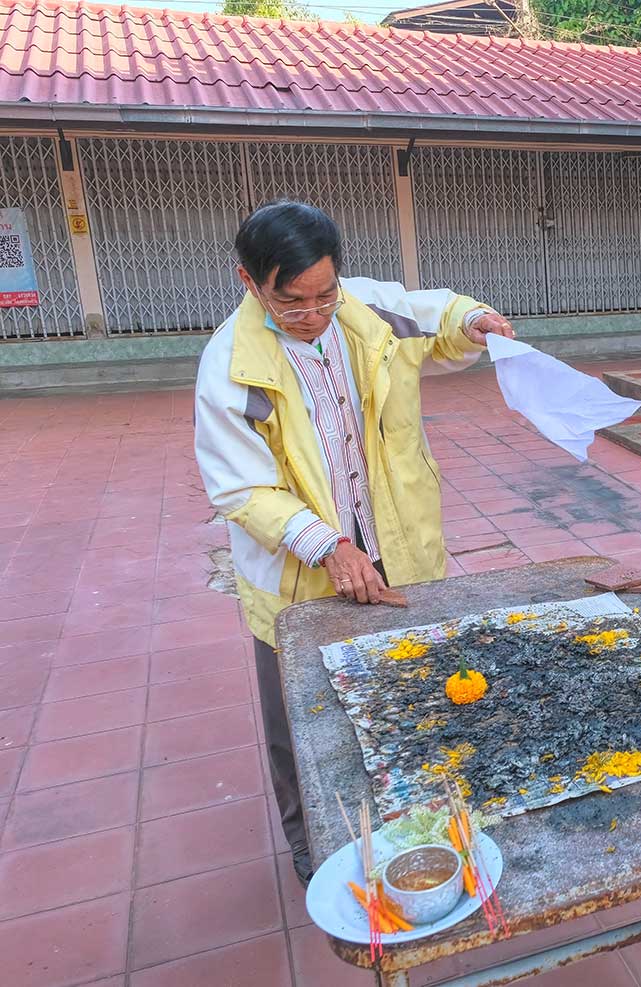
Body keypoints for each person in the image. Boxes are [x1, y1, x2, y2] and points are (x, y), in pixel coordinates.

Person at [194, 201, 515, 884]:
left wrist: (476, 322)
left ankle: (417, 830)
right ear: (248, 282)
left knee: (407, 692)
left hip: (397, 547)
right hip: (298, 575)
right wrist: (327, 544)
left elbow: (439, 312)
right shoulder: (230, 362)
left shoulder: (364, 311)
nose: (314, 315)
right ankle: (316, 851)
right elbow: (241, 489)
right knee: (305, 727)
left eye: (324, 296)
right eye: (292, 302)